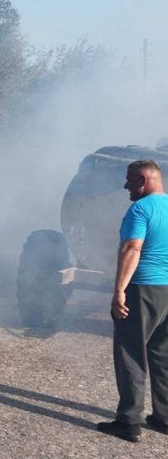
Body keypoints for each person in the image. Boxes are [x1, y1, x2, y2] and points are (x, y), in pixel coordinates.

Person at [97, 160, 168, 442]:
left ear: (143, 180)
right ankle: (164, 417)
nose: (126, 186)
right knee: (162, 356)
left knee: (130, 354)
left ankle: (128, 422)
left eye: (129, 180)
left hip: (143, 288)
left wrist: (119, 291)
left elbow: (131, 248)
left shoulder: (140, 209)